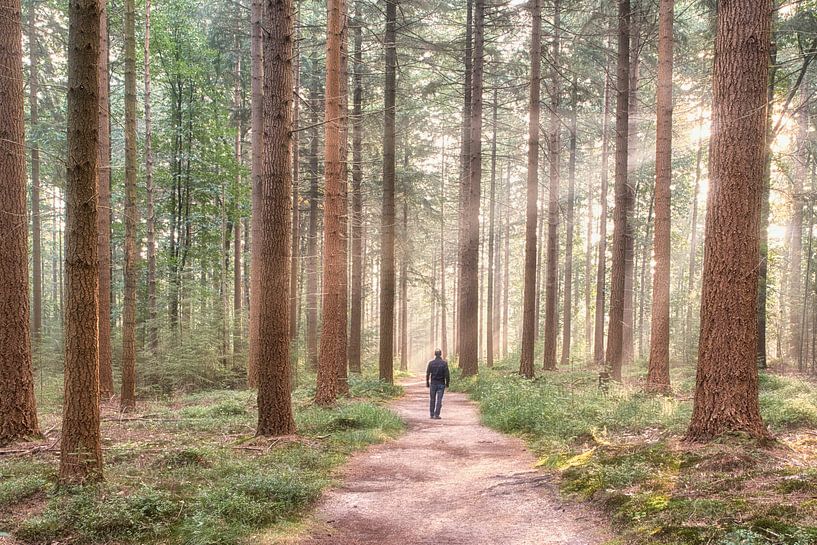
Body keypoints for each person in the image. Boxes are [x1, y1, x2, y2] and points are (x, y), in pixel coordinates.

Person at [425, 349, 450, 419]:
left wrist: (427, 382)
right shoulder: (444, 363)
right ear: (440, 354)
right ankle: (437, 414)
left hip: (433, 384)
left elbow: (427, 374)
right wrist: (447, 383)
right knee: (439, 399)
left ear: (435, 354)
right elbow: (447, 374)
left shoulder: (431, 363)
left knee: (432, 399)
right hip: (441, 384)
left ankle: (431, 414)